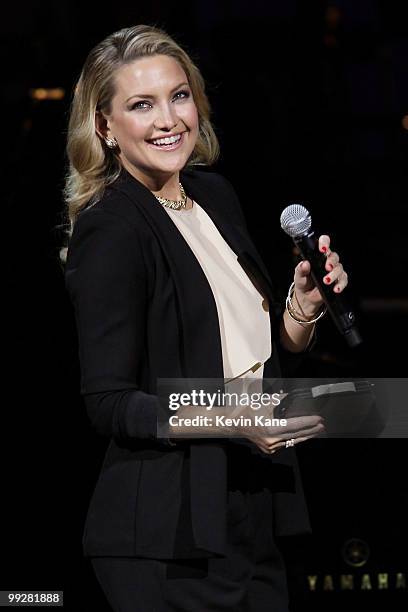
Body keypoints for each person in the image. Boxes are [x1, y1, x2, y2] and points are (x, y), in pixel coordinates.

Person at [61, 24, 348, 612]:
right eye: (142, 105)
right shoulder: (111, 227)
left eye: (179, 95)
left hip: (250, 509)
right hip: (168, 533)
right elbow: (110, 403)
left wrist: (302, 309)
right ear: (105, 127)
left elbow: (253, 355)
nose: (169, 119)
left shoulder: (214, 196)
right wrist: (232, 417)